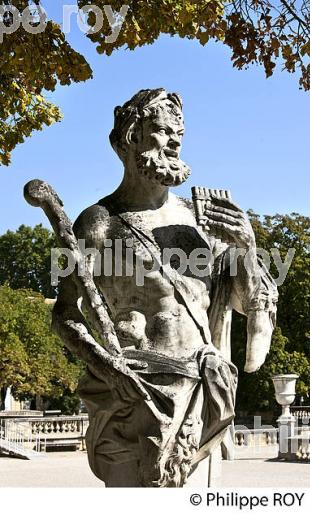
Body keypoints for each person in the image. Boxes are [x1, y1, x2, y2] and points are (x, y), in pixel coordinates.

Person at [52, 88, 278, 487]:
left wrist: (248, 246)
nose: (175, 140)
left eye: (180, 134)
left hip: (203, 390)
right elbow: (65, 315)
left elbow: (247, 305)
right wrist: (109, 367)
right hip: (133, 392)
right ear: (131, 137)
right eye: (162, 130)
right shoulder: (98, 223)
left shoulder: (200, 223)